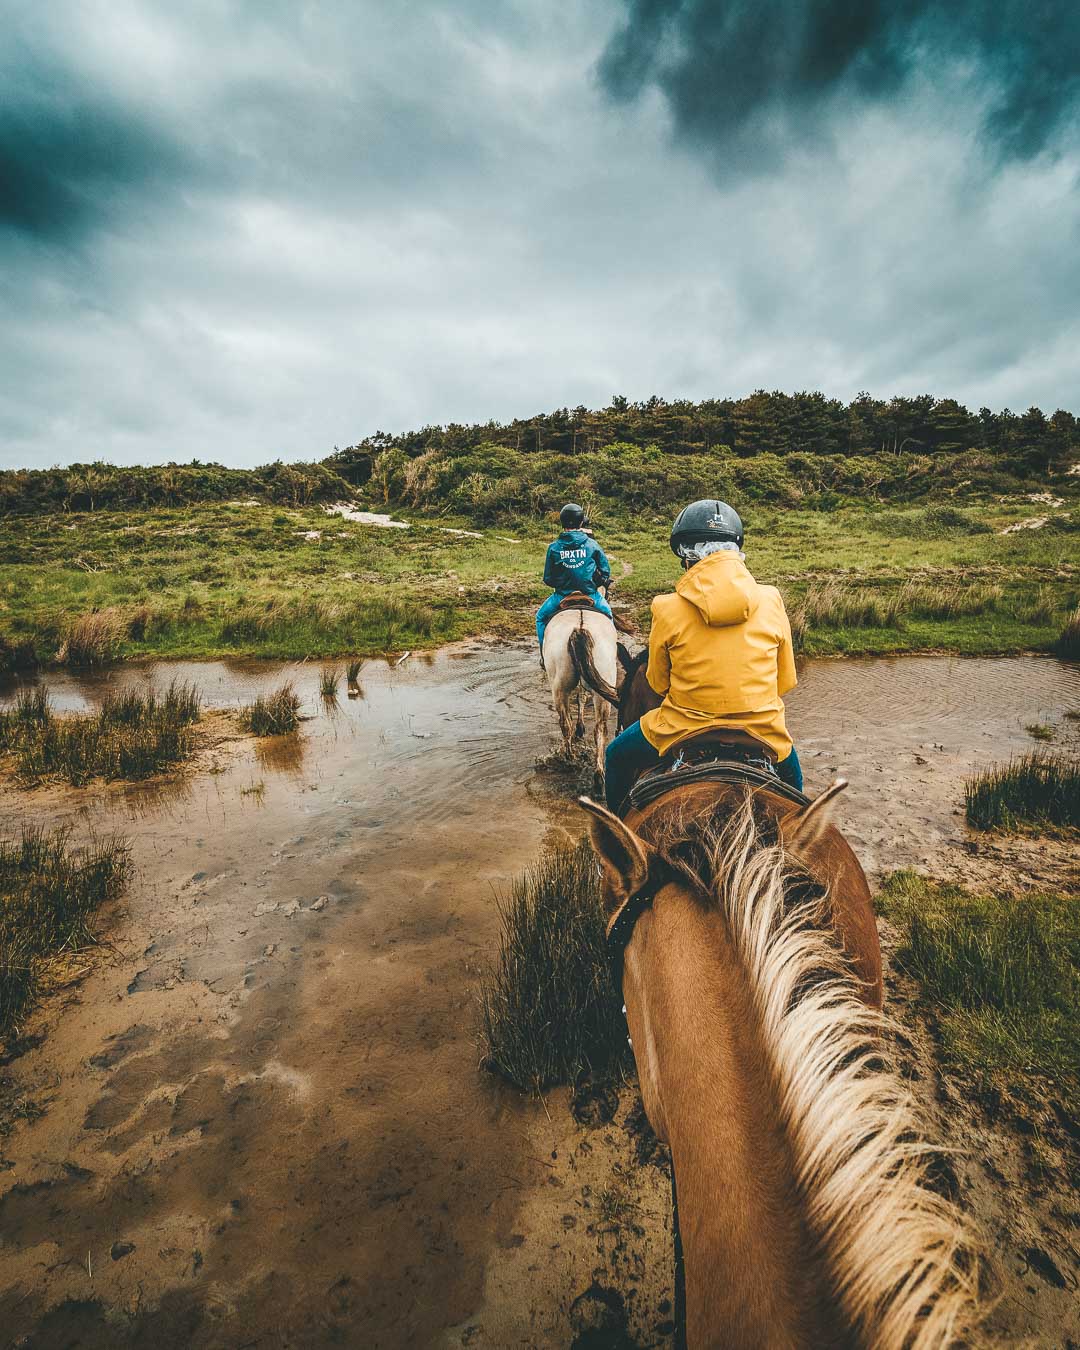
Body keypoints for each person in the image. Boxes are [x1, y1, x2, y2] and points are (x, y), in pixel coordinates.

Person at [604, 499, 803, 811]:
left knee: (615, 756)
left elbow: (657, 683)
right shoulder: (772, 598)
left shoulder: (666, 606)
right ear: (737, 551)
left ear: (686, 557)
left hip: (682, 727)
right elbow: (785, 680)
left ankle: (614, 843)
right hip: (763, 731)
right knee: (797, 805)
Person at [536, 503, 613, 657]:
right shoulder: (592, 544)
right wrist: (594, 583)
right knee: (608, 615)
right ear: (581, 523)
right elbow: (605, 572)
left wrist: (563, 583)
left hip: (562, 596)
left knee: (540, 618)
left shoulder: (554, 547)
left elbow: (548, 578)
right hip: (590, 594)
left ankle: (544, 655)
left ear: (562, 523)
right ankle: (612, 654)